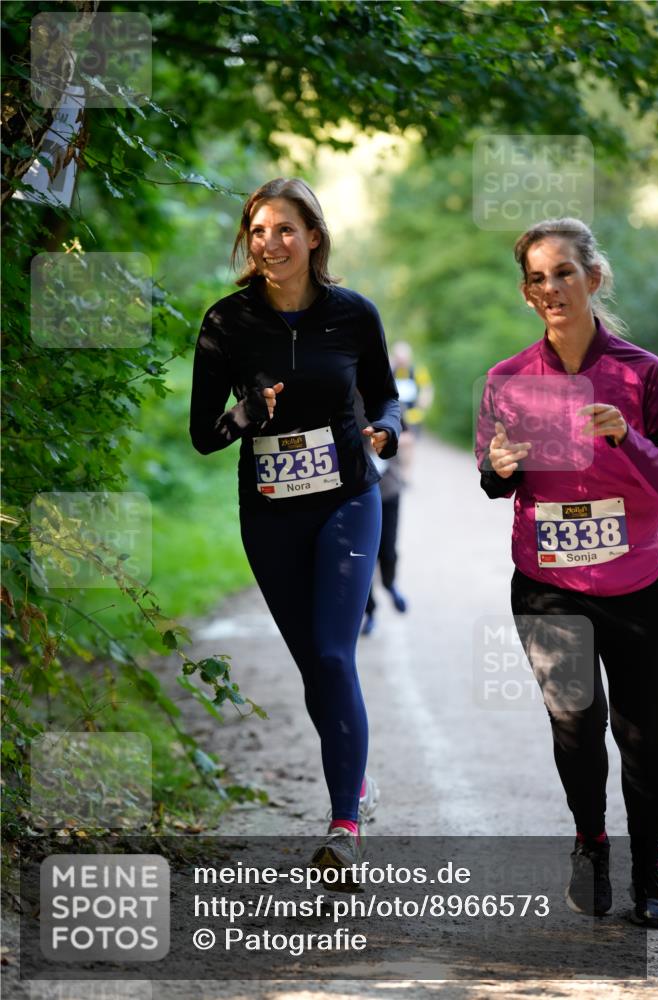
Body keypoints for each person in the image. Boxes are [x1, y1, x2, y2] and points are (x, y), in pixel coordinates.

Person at [189, 177, 400, 871]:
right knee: (314, 664)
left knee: (335, 655)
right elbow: (204, 434)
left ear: (313, 236)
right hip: (271, 510)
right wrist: (246, 415)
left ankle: (344, 824)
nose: (270, 243)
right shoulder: (226, 322)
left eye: (285, 229)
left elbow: (387, 399)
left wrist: (385, 433)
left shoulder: (352, 314)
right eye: (257, 230)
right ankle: (357, 777)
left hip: (347, 495)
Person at [475, 217, 658, 927]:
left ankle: (649, 869)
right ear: (525, 293)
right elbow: (495, 482)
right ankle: (590, 842)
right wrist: (498, 467)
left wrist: (631, 441)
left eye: (562, 271)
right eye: (536, 276)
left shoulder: (642, 373)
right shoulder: (504, 380)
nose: (549, 287)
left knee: (643, 732)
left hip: (639, 583)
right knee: (575, 725)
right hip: (548, 583)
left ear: (592, 276)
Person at [361, 418, 412, 636]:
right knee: (363, 558)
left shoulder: (389, 401)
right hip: (358, 494)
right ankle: (370, 613)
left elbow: (408, 436)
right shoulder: (343, 399)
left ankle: (390, 585)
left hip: (389, 490)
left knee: (388, 551)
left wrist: (389, 440)